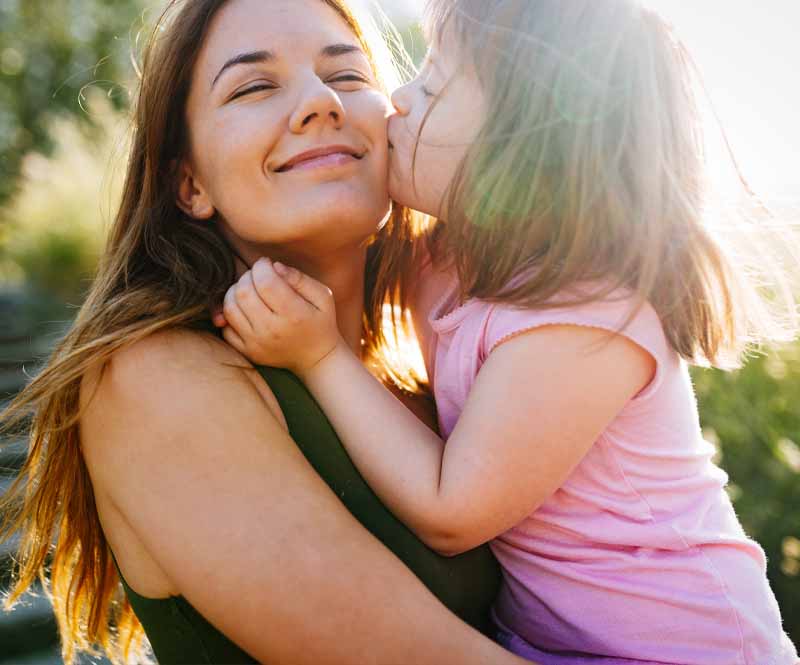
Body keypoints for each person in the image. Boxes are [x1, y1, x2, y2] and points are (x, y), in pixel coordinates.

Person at [215, 1, 800, 663]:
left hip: (690, 648)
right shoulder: (446, 260)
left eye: (433, 86)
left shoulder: (585, 317)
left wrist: (319, 355)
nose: (398, 101)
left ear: (517, 151)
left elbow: (449, 510)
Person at [0, 1, 534, 664]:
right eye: (254, 86)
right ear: (189, 183)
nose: (319, 102)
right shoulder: (154, 379)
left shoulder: (432, 380)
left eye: (346, 77)